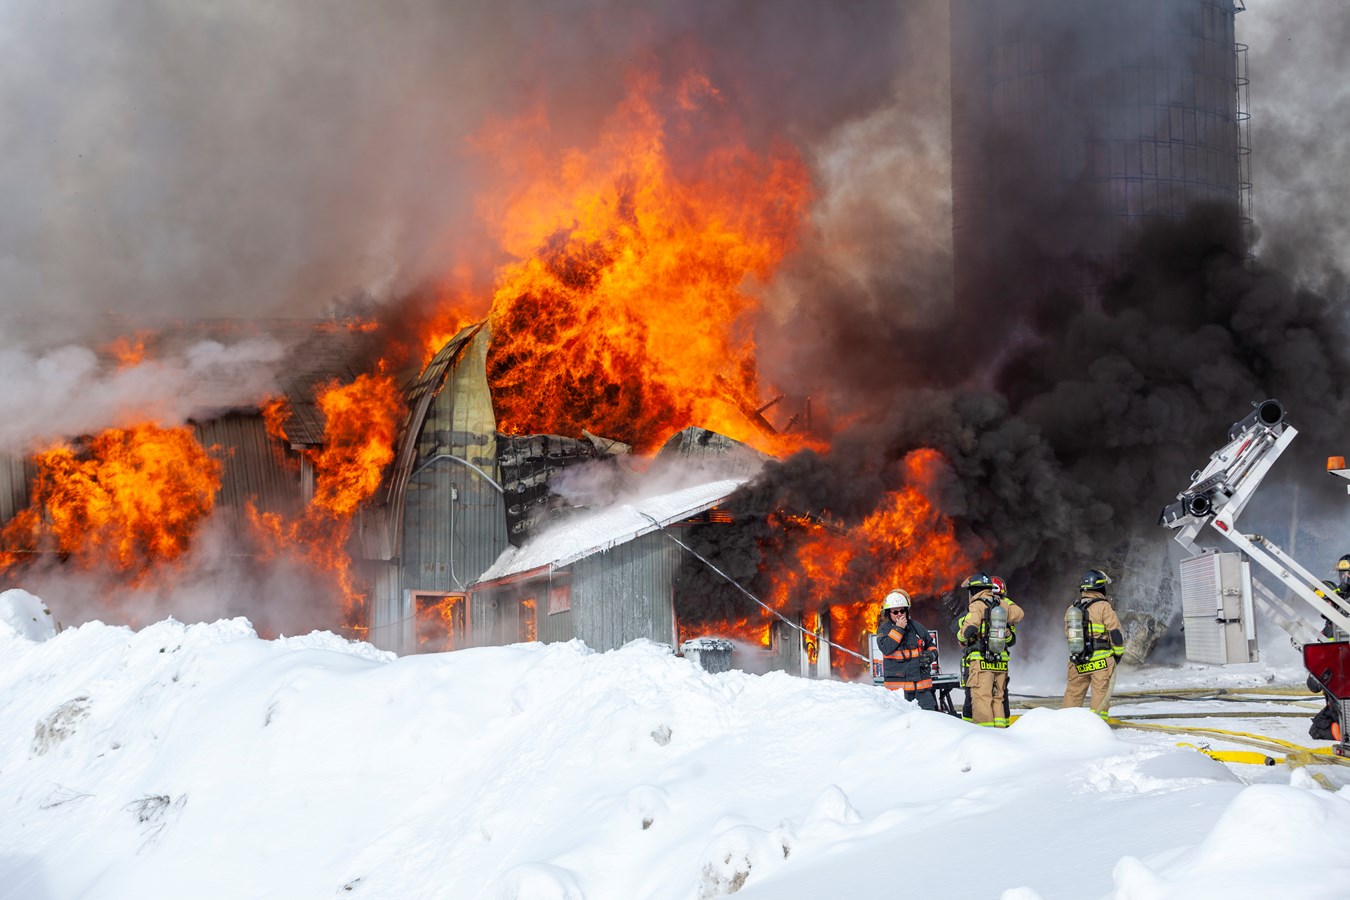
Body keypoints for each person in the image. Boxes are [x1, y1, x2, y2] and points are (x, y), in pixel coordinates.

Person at [956, 572, 1024, 727]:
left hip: (981, 661)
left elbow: (970, 627)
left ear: (974, 590)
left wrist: (961, 637)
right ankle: (1000, 731)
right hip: (1001, 662)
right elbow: (1019, 614)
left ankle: (985, 735)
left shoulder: (977, 604)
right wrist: (1004, 601)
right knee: (998, 698)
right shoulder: (1002, 604)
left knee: (982, 699)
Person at [1061, 568, 1125, 720]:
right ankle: (1098, 725)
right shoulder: (1103, 606)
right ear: (1100, 587)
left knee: (1073, 693)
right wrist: (1118, 653)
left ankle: (1065, 724)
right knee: (1100, 695)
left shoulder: (1072, 608)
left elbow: (1068, 633)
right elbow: (1115, 633)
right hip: (1100, 661)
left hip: (1078, 660)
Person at [875, 589, 937, 710]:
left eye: (902, 611)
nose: (899, 614)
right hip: (898, 694)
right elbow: (886, 648)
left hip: (922, 692)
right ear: (888, 613)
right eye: (895, 612)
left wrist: (931, 655)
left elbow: (931, 644)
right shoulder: (884, 630)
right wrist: (899, 629)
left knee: (931, 718)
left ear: (906, 611)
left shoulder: (917, 627)